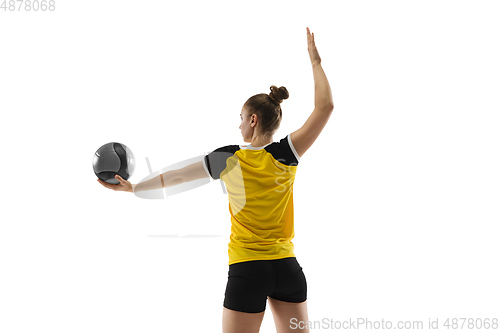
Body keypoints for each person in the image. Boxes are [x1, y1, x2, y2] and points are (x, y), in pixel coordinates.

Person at [98, 27, 334, 333]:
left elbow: (179, 175)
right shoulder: (287, 153)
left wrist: (136, 188)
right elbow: (325, 107)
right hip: (288, 269)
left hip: (248, 270)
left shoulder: (230, 157)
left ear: (253, 120)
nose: (238, 127)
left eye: (240, 118)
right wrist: (315, 62)